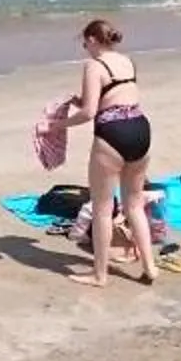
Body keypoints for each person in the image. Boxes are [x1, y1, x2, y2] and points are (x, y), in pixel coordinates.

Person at [62, 18, 159, 287]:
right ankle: (149, 266)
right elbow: (115, 94)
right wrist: (81, 101)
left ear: (93, 40)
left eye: (84, 43)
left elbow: (89, 113)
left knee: (103, 209)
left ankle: (100, 274)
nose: (85, 48)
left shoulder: (93, 65)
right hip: (140, 128)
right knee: (134, 205)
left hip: (112, 133)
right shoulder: (127, 61)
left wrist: (59, 125)